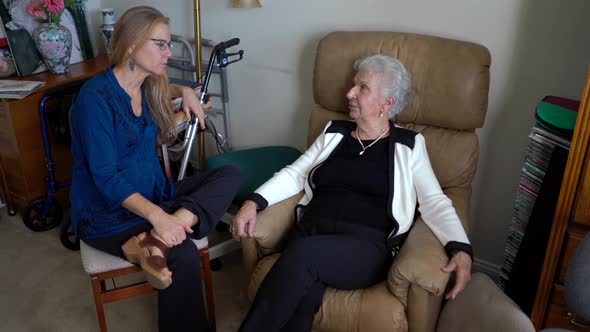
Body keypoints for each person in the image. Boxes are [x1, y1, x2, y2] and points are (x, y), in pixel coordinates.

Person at [232, 54, 473, 331]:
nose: (349, 93)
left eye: (362, 87)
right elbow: (296, 173)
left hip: (364, 247)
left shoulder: (408, 146)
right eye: (352, 85)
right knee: (303, 295)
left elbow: (434, 201)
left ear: (387, 102)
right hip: (312, 233)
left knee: (303, 256)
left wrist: (460, 249)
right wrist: (253, 201)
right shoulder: (334, 133)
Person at [69, 6, 242, 332]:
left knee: (230, 173)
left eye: (169, 44)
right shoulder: (95, 99)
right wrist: (159, 217)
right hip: (107, 213)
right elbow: (105, 177)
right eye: (160, 44)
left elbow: (168, 83)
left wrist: (186, 90)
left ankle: (156, 240)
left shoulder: (148, 84)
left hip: (155, 196)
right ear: (132, 45)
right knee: (186, 254)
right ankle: (159, 237)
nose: (169, 52)